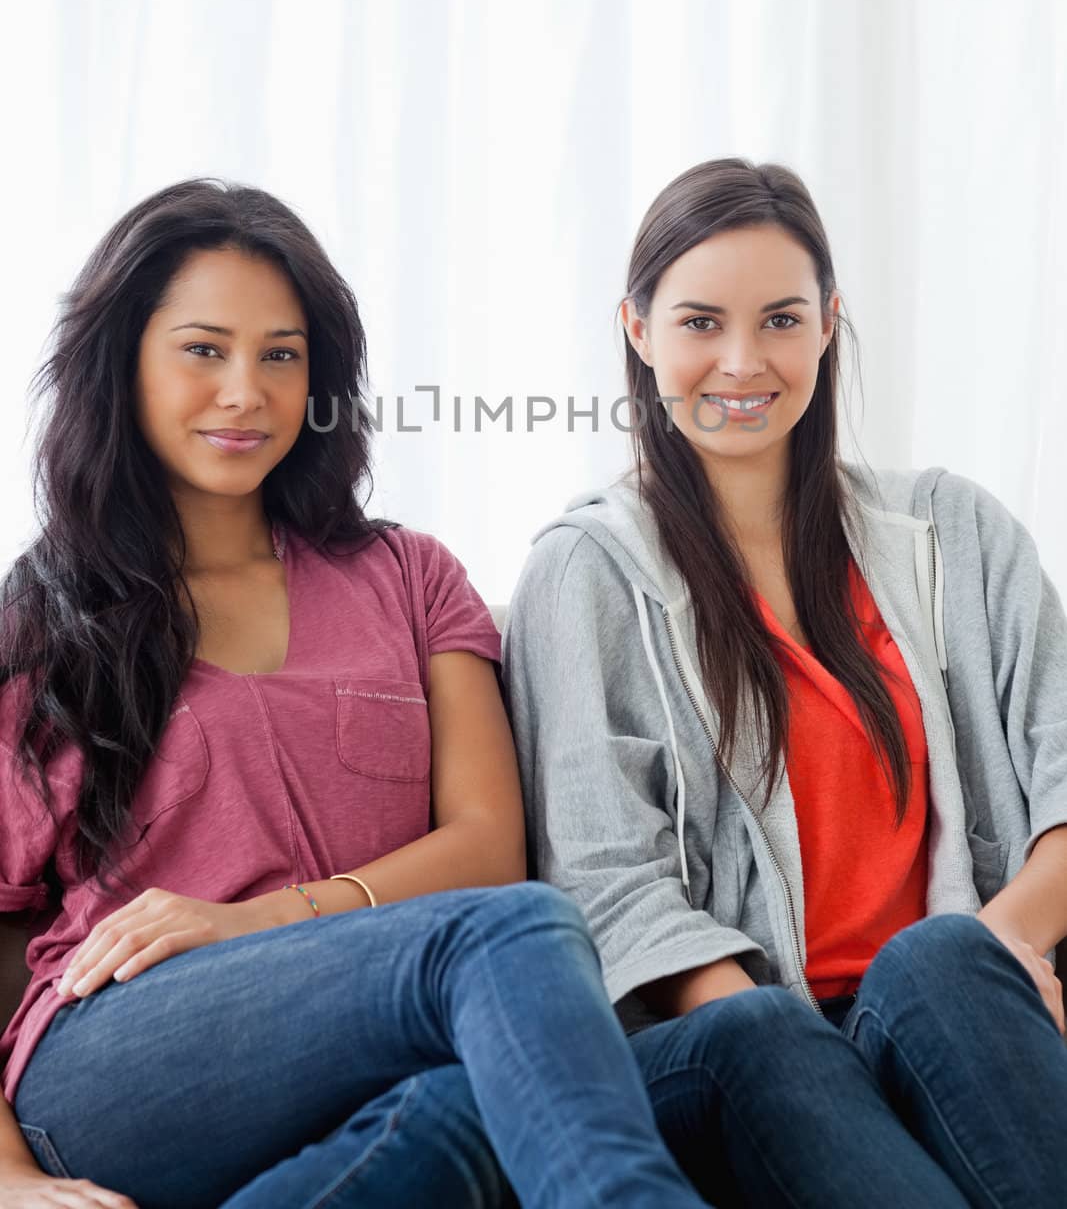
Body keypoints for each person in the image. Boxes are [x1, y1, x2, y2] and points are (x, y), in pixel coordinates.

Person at [0, 178, 706, 1209]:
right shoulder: (45, 619)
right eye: (203, 348)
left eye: (280, 355)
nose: (245, 390)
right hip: (117, 1052)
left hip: (370, 1055)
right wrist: (8, 1179)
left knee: (472, 1108)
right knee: (513, 929)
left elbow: (485, 844)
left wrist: (254, 922)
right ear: (124, 363)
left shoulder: (407, 577)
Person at [502, 156, 1067, 1208]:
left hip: (948, 1006)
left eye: (777, 320)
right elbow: (605, 883)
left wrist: (1000, 955)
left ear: (827, 322)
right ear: (636, 330)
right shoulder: (585, 572)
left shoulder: (954, 533)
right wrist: (826, 1066)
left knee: (941, 962)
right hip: (732, 1043)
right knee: (765, 1030)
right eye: (699, 323)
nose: (739, 361)